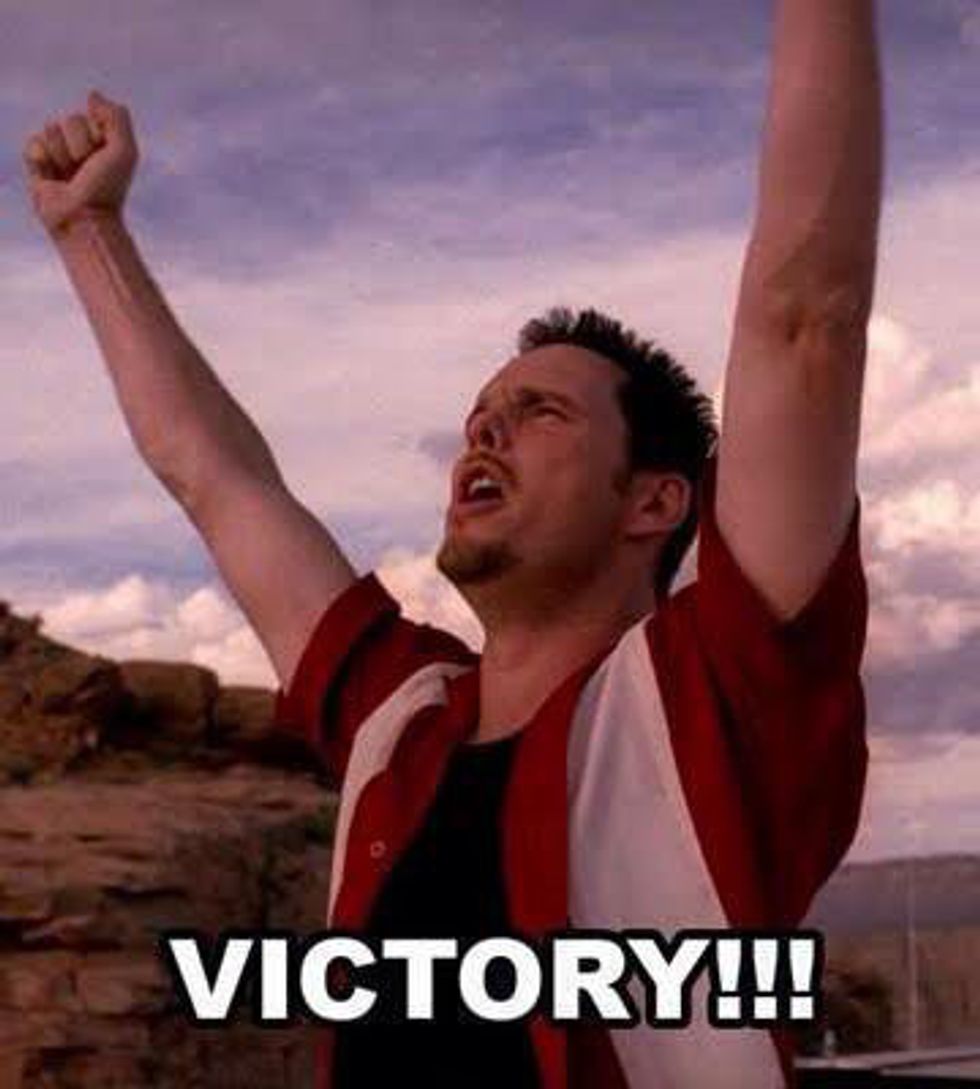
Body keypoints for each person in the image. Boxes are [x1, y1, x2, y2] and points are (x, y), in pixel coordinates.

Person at [23, 1, 882, 1085]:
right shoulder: (401, 716)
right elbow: (213, 476)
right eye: (482, 414)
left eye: (540, 412)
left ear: (654, 503)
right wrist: (88, 232)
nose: (484, 431)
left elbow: (805, 318)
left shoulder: (718, 698)